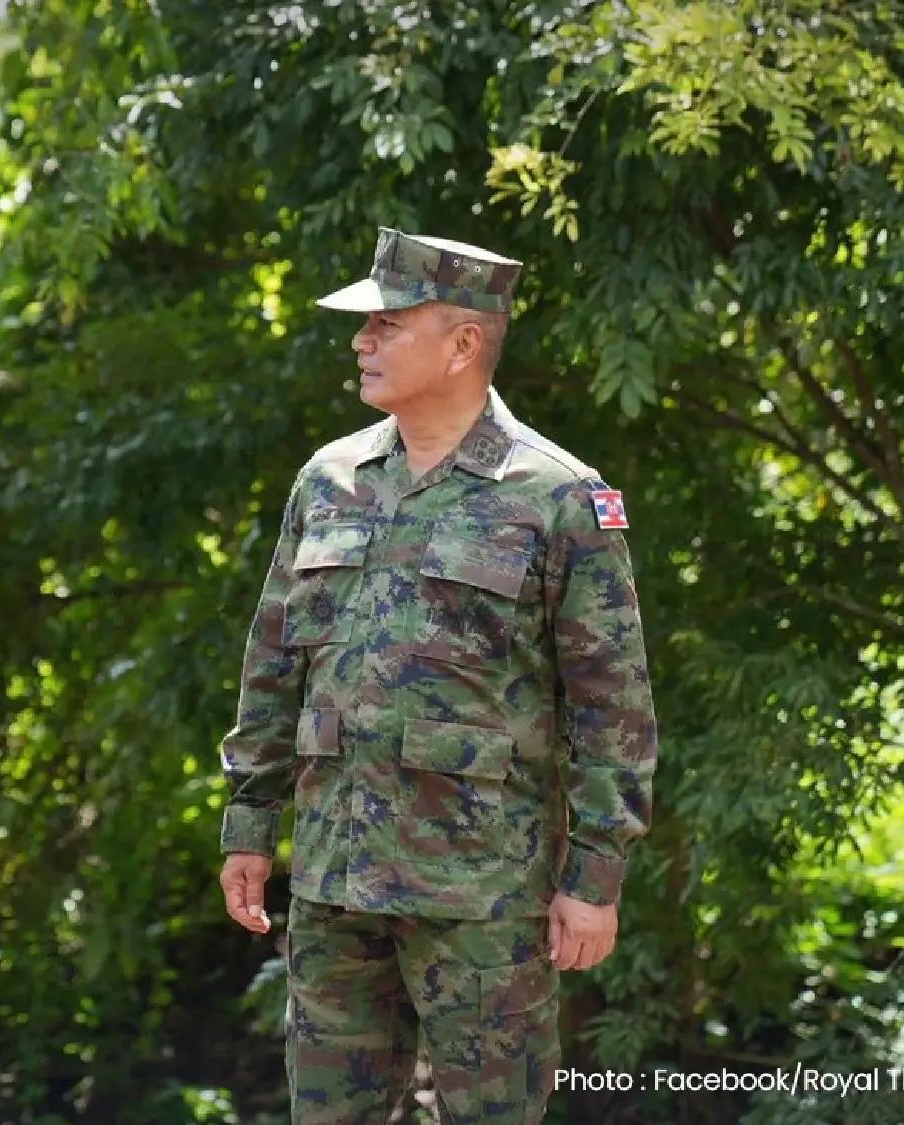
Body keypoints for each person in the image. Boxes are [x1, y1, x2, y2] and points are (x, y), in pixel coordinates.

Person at [215, 228, 659, 1124]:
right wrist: (251, 821)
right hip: (337, 880)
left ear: (463, 343)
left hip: (484, 894)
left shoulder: (558, 496)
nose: (360, 340)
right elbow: (272, 666)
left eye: (386, 323)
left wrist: (594, 878)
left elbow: (613, 704)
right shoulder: (329, 481)